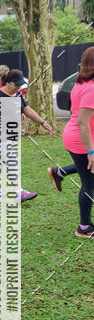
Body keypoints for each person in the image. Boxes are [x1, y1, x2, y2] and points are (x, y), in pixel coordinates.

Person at [0, 68, 52, 201]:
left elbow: (27, 109)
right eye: (16, 85)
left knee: (0, 162)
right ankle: (18, 192)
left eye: (20, 85)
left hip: (10, 134)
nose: (18, 87)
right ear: (9, 82)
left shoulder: (17, 95)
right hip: (0, 135)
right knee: (12, 161)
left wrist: (43, 122)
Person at [61, 46, 94, 237]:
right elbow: (83, 122)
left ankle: (60, 171)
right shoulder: (90, 88)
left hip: (78, 136)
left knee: (88, 179)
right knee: (89, 184)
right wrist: (91, 153)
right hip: (81, 139)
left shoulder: (81, 83)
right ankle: (84, 227)